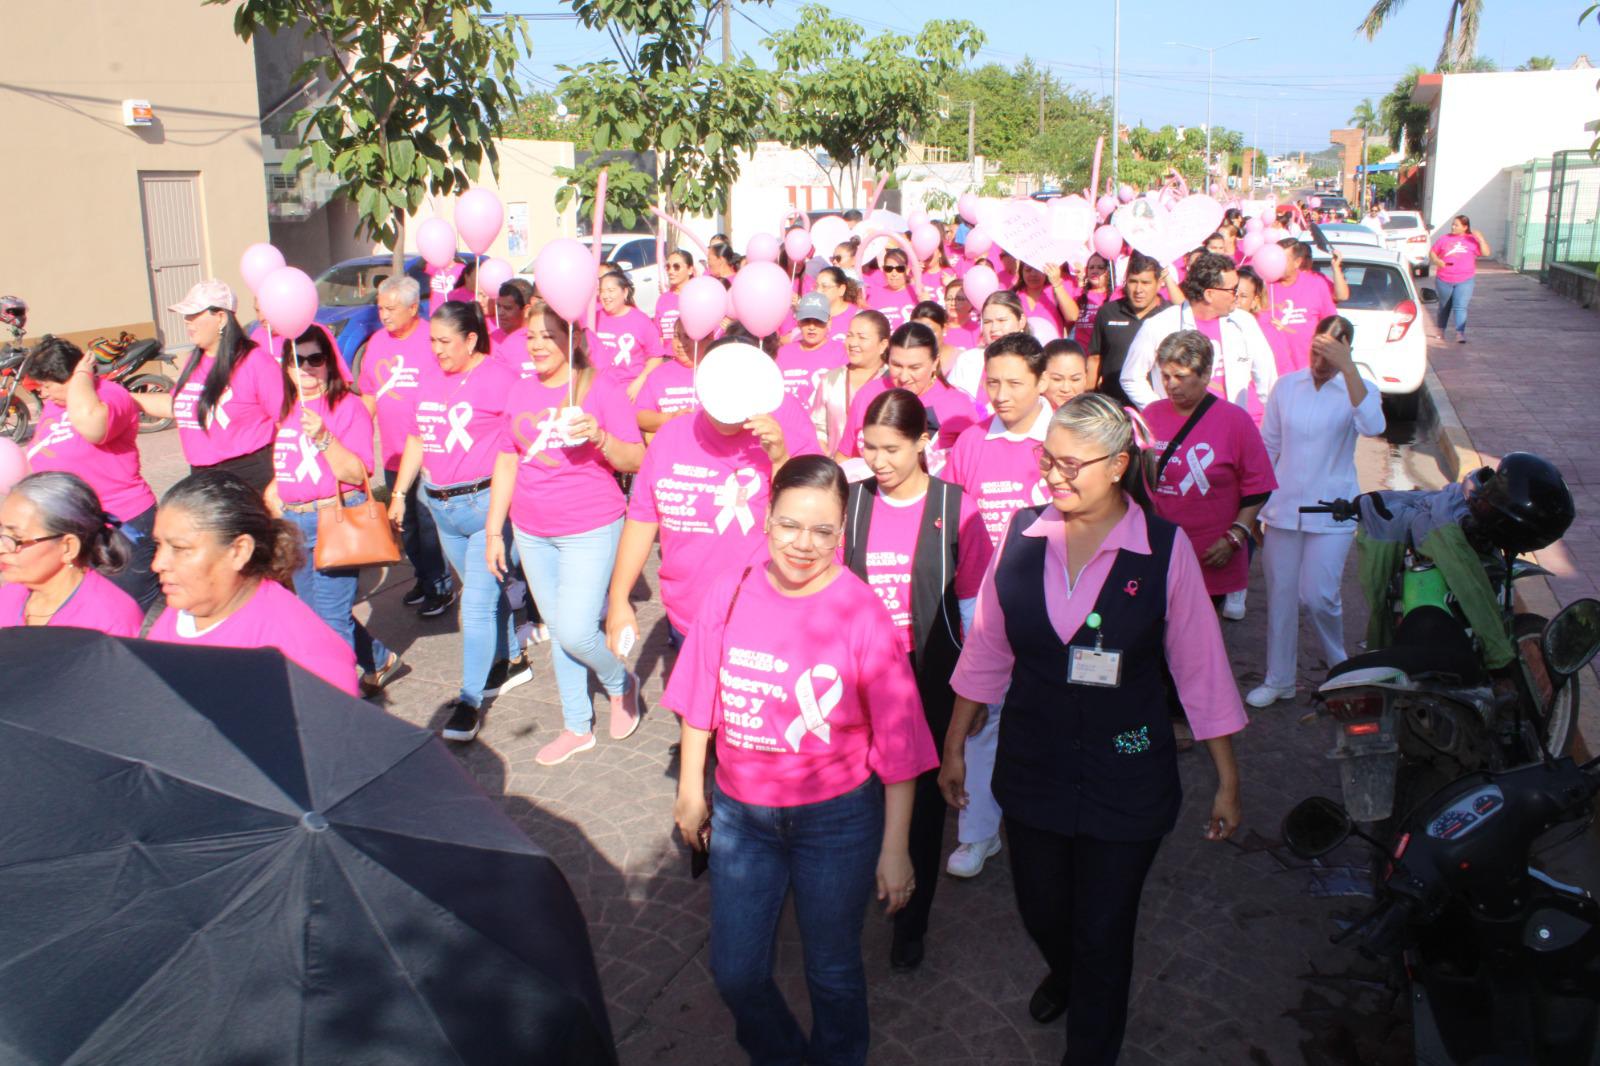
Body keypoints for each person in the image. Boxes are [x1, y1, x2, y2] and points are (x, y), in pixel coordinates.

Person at [938, 394, 1245, 1064]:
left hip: (1129, 765)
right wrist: (956, 744)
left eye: (1072, 464)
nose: (1054, 475)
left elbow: (1201, 669)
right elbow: (987, 648)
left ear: (1117, 466)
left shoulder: (1163, 550)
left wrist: (1227, 777)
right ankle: (1067, 970)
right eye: (1048, 459)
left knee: (1105, 929)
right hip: (1034, 761)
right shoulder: (1020, 536)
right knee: (1041, 908)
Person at [666, 455, 937, 1066]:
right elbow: (699, 695)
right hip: (741, 819)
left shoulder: (860, 611)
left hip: (837, 822)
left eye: (823, 531)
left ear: (842, 532)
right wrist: (690, 789)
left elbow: (899, 744)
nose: (804, 545)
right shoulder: (732, 590)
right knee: (736, 973)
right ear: (766, 518)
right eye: (790, 525)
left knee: (833, 970)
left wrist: (896, 849)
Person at [483, 299, 646, 764]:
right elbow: (508, 459)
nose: (536, 345)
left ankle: (620, 682)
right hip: (532, 530)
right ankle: (577, 725)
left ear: (572, 340)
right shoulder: (518, 391)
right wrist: (495, 531)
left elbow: (635, 460)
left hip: (590, 525)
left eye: (548, 336)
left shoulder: (599, 388)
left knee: (576, 630)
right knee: (559, 629)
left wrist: (599, 437)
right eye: (530, 336)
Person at [843, 389, 966, 971]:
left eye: (892, 449)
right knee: (857, 800)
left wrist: (973, 698)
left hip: (929, 682)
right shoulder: (852, 503)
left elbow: (978, 614)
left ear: (924, 442)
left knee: (920, 812)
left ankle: (910, 922)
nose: (878, 461)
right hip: (858, 682)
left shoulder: (955, 506)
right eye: (869, 447)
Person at [608, 341, 821, 654]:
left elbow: (808, 520)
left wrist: (779, 460)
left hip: (760, 616)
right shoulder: (670, 438)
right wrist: (618, 600)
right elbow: (642, 519)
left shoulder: (780, 437)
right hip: (686, 614)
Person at [387, 300, 532, 739]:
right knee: (483, 591)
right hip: (440, 505)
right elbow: (417, 437)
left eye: (445, 342)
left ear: (471, 339)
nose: (437, 350)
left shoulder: (501, 379)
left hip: (486, 505)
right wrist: (399, 494)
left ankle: (469, 700)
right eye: (432, 341)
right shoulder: (430, 377)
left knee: (475, 603)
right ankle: (512, 659)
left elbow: (523, 441)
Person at [939, 332, 1054, 879]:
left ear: (1041, 381)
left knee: (1053, 719)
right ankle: (978, 832)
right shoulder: (972, 441)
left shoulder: (1065, 437)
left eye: (1014, 383)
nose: (1001, 395)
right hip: (986, 609)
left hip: (1058, 608)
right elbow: (951, 519)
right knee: (982, 717)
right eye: (992, 383)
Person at [1248, 315, 1384, 708]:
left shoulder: (1359, 390)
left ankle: (1339, 664)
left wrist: (1348, 368)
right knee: (1282, 595)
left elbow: (1373, 426)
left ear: (1346, 351)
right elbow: (1268, 448)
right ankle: (1279, 679)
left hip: (1333, 511)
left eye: (1331, 350)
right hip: (1283, 509)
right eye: (1316, 347)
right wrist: (1257, 507)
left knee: (1319, 595)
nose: (1320, 357)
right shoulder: (1287, 386)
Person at [267, 324, 401, 698]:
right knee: (312, 617)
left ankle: (341, 701)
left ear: (329, 362)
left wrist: (324, 437)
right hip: (294, 521)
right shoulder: (288, 408)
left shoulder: (347, 407)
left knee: (330, 618)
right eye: (298, 362)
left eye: (316, 359)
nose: (307, 370)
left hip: (334, 519)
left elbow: (356, 472)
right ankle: (379, 658)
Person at [148, 470, 359, 694]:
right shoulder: (181, 612)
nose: (157, 563)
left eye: (180, 548)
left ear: (239, 551)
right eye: (158, 545)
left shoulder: (304, 658)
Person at [1142, 331, 1276, 628]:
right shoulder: (1151, 414)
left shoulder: (1234, 421)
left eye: (1180, 376)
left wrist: (1235, 536)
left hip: (1208, 553)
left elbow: (1259, 486)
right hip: (1158, 547)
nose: (1171, 385)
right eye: (1165, 376)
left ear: (1205, 375)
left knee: (1195, 634)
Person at [22, 337, 160, 609]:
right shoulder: (55, 406)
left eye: (47, 386)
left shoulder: (109, 396)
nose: (44, 394)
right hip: (77, 529)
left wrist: (83, 375)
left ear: (70, 377)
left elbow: (92, 427)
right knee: (96, 609)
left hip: (122, 527)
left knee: (132, 611)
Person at [132, 280, 292, 492]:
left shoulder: (256, 362)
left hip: (250, 475)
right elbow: (178, 405)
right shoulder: (193, 360)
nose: (187, 322)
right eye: (186, 316)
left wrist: (279, 483)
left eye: (194, 315)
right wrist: (125, 397)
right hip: (202, 476)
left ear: (221, 318)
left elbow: (288, 422)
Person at [356, 275, 454, 617]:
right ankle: (424, 577)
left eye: (391, 308)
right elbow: (368, 392)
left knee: (428, 523)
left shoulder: (431, 340)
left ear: (414, 308)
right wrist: (358, 433)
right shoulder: (377, 342)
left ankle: (441, 586)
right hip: (395, 452)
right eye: (380, 307)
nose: (384, 315)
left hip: (430, 451)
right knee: (405, 523)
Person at [1120, 252, 1278, 413]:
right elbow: (1131, 377)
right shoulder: (1159, 325)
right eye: (1233, 290)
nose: (1236, 297)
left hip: (1230, 426)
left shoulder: (1245, 323)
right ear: (1209, 294)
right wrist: (1162, 411)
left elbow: (1267, 380)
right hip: (1182, 431)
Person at [0, 472, 143, 637]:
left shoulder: (110, 621)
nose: (1, 548)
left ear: (68, 547)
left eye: (16, 538)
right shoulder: (8, 597)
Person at [837, 323, 980, 476]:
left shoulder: (957, 406)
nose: (904, 377)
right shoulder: (869, 394)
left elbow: (973, 466)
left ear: (935, 363)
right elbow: (845, 457)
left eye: (915, 368)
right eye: (896, 365)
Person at [1087, 252, 1166, 408]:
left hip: (1155, 407)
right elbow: (1095, 358)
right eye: (1133, 282)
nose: (1138, 289)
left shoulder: (1170, 315)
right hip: (1113, 406)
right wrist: (1088, 397)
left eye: (1146, 282)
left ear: (1159, 283)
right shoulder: (1108, 312)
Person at [811, 311, 890, 457]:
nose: (853, 343)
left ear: (882, 345)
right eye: (850, 335)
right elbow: (817, 426)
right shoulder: (831, 379)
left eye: (862, 337)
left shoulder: (891, 382)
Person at [1261, 241, 1347, 374]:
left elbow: (1330, 325)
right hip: (1273, 373)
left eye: (1282, 260)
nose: (1276, 264)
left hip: (1308, 371)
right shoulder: (1264, 285)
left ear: (1297, 262)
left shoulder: (1316, 284)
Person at [944, 290, 1028, 408]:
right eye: (988, 322)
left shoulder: (1031, 361)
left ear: (1021, 321)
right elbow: (951, 404)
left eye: (1001, 320)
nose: (994, 328)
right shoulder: (968, 360)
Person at [592, 269, 662, 385]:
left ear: (624, 292)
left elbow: (656, 356)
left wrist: (639, 382)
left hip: (630, 389)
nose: (605, 296)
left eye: (611, 290)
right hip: (600, 388)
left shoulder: (641, 320)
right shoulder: (594, 317)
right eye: (602, 291)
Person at [1431, 214, 1491, 344]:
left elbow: (1486, 253)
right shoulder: (1444, 239)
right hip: (1444, 278)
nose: (1453, 227)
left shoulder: (1471, 240)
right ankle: (1441, 330)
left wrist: (1480, 239)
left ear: (1465, 227)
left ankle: (1460, 333)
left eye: (1456, 225)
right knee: (1444, 306)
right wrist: (1436, 260)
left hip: (1465, 279)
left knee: (1460, 306)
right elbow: (1433, 252)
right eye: (1453, 224)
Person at [776, 293, 846, 404]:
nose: (812, 327)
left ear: (829, 322)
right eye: (806, 320)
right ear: (798, 323)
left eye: (818, 321)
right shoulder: (783, 353)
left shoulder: (841, 353)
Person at [865, 247, 923, 330]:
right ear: (884, 270)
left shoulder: (917, 292)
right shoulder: (873, 293)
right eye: (889, 269)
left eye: (900, 269)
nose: (894, 273)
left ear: (907, 270)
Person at [490, 278, 537, 374]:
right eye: (498, 306)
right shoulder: (490, 339)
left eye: (508, 308)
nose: (500, 313)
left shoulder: (541, 340)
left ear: (527, 310)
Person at [813, 266, 861, 346]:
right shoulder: (811, 315)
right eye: (817, 286)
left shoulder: (858, 316)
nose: (818, 291)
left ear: (841, 289)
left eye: (824, 287)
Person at [656, 249, 695, 346]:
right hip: (668, 358)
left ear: (690, 270)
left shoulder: (698, 297)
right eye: (668, 267)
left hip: (692, 358)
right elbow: (659, 336)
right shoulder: (663, 300)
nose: (671, 271)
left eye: (676, 267)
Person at [1041, 339, 1091, 408]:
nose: (1066, 389)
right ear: (1041, 378)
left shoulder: (1096, 416)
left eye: (1075, 379)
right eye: (1057, 379)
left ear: (1085, 377)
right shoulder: (1026, 415)